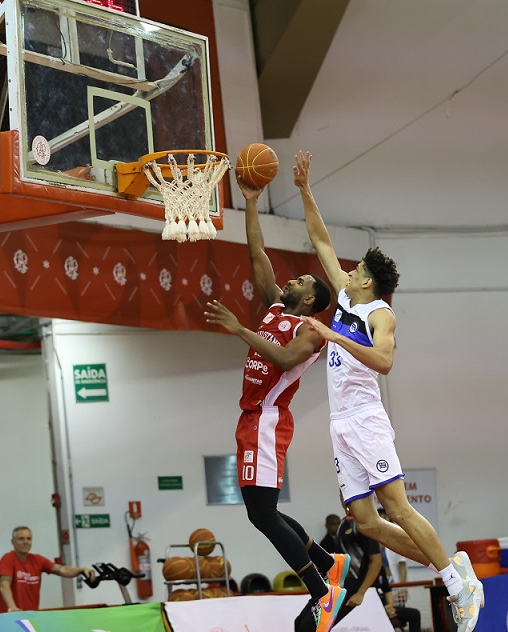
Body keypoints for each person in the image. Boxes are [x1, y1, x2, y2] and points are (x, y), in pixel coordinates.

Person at [294, 151, 482, 632]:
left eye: (356, 270)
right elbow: (320, 240)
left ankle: (457, 585)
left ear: (368, 281)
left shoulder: (380, 314)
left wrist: (336, 338)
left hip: (365, 417)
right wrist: (304, 190)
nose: (348, 270)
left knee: (397, 507)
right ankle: (453, 565)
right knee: (368, 524)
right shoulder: (344, 294)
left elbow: (386, 362)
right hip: (341, 426)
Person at [204, 176, 347, 632]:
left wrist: (239, 330)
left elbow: (284, 358)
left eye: (300, 280)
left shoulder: (309, 332)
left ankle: (322, 591)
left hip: (267, 420)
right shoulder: (275, 309)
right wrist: (249, 202)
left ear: (309, 300)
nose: (289, 279)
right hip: (252, 420)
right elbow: (256, 254)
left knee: (261, 513)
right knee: (261, 510)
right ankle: (326, 559)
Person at [332, 507, 420, 632]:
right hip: (366, 602)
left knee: (413, 614)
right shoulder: (359, 568)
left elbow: (387, 587)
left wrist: (390, 606)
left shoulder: (380, 563)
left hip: (383, 601)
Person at [0, 526, 95, 612]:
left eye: (29, 539)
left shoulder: (37, 560)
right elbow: (4, 585)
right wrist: (12, 607)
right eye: (21, 539)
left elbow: (62, 570)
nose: (26, 542)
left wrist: (82, 570)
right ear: (13, 542)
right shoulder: (8, 559)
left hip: (32, 615)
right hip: (11, 617)